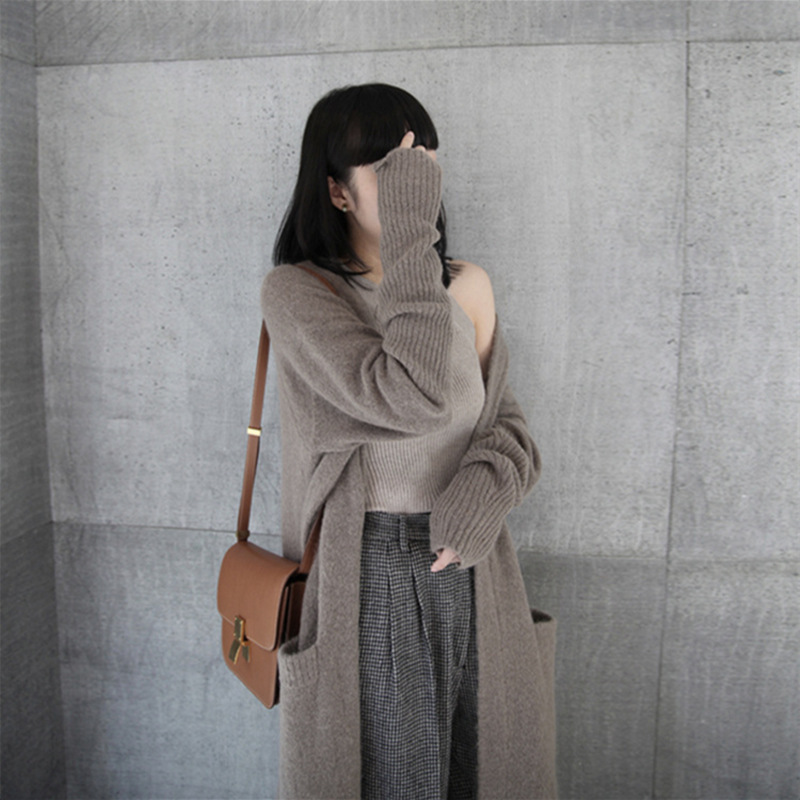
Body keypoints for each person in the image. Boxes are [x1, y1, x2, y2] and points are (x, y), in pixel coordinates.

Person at [262, 83, 557, 800]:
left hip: (476, 554)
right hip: (374, 567)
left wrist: (478, 501)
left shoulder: (470, 286)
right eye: (391, 169)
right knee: (400, 781)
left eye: (423, 160)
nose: (414, 180)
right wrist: (410, 240)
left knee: (482, 770)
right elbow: (413, 395)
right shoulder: (299, 294)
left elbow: (508, 428)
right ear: (337, 192)